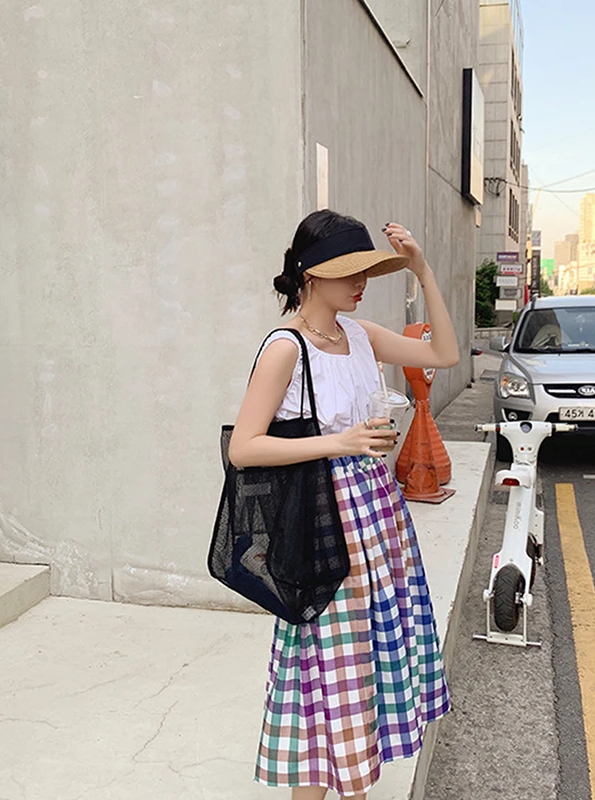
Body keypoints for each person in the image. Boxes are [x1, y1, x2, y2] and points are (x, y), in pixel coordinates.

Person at [227, 209, 460, 800]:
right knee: (325, 666)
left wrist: (423, 271)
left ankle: (353, 782)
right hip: (322, 520)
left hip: (377, 517)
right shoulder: (285, 347)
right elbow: (243, 448)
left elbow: (445, 355)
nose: (360, 283)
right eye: (348, 271)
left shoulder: (360, 336)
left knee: (364, 663)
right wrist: (342, 442)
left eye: (366, 271)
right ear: (310, 274)